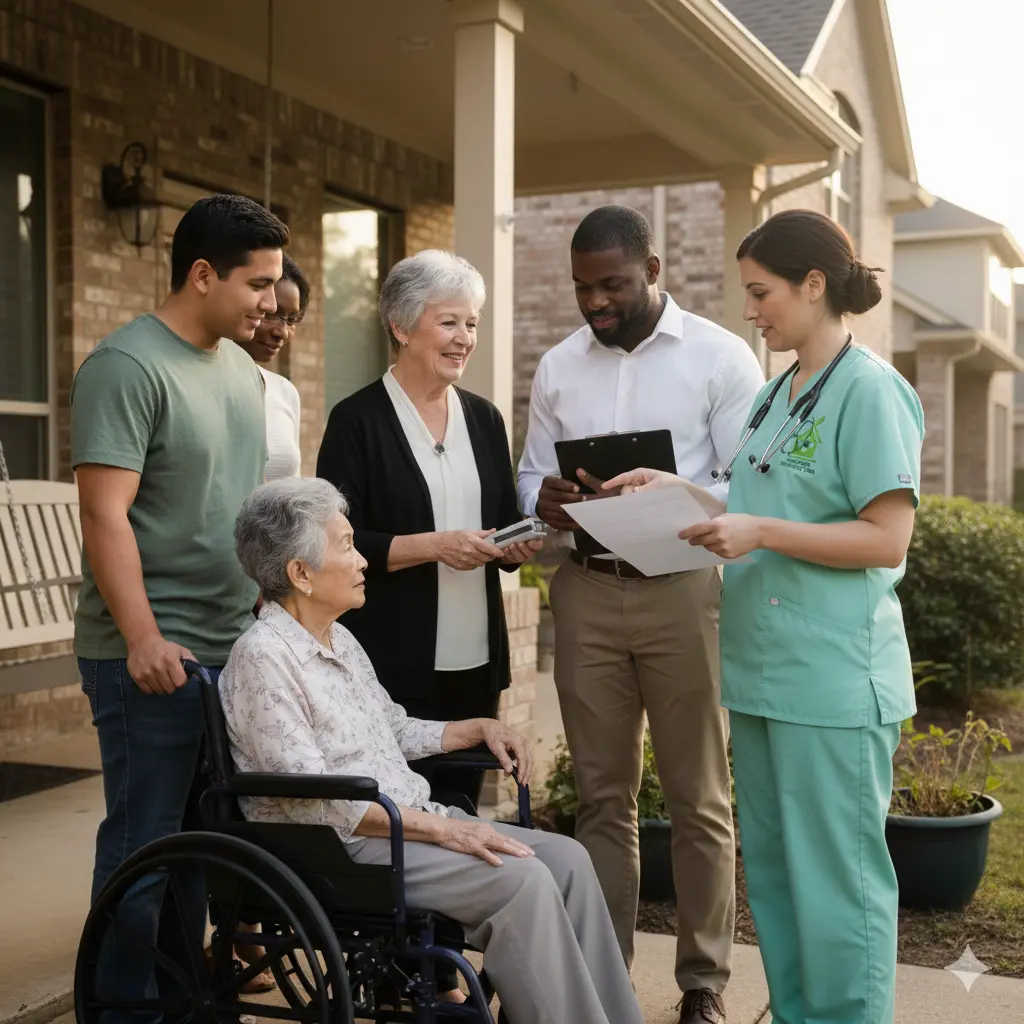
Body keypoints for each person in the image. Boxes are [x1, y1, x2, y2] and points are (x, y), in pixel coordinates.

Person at [604, 209, 923, 1024]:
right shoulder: (778, 392)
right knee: (777, 878)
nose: (750, 312)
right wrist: (680, 491)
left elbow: (886, 538)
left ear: (814, 285)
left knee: (839, 882)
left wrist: (760, 532)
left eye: (761, 293)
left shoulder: (870, 391)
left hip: (832, 677)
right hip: (761, 672)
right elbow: (756, 501)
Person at [219, 477, 644, 1024]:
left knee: (569, 861)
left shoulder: (338, 638)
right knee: (522, 883)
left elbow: (392, 730)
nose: (362, 561)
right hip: (345, 849)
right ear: (300, 573)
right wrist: (446, 830)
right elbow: (313, 797)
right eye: (346, 546)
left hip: (402, 824)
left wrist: (476, 728)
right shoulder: (263, 657)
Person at [516, 205, 763, 1023]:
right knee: (600, 797)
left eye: (612, 285)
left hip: (684, 589)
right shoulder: (559, 366)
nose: (595, 302)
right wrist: (542, 497)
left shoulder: (721, 357)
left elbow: (750, 483)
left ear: (653, 271)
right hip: (586, 589)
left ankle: (704, 983)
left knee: (699, 795)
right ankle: (606, 975)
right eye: (582, 288)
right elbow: (529, 474)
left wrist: (675, 490)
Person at [71, 194, 288, 1011]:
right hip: (149, 656)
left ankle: (178, 1004)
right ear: (202, 274)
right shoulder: (126, 367)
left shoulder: (241, 370)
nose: (272, 302)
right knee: (142, 854)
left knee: (199, 854)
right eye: (258, 283)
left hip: (228, 648)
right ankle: (118, 1010)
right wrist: (142, 639)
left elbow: (233, 503)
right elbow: (104, 515)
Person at [316, 249, 540, 810]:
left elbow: (503, 521)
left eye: (472, 324)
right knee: (403, 815)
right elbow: (337, 542)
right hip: (391, 662)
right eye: (449, 322)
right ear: (401, 326)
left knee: (461, 811)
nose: (465, 338)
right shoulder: (355, 421)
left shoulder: (485, 418)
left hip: (476, 663)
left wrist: (517, 546)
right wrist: (435, 547)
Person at [233, 251, 309, 480]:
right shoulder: (195, 382)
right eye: (271, 314)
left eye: (292, 319)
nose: (281, 332)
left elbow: (292, 488)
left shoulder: (285, 392)